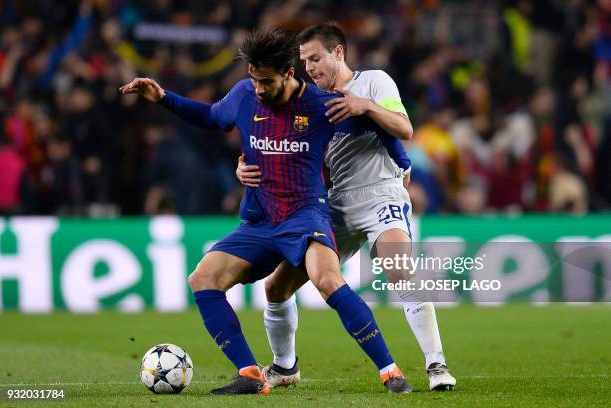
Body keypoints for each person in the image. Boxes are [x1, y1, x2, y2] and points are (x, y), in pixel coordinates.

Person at [120, 28, 411, 395]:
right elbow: (211, 116)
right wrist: (163, 97)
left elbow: (379, 130)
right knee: (202, 279)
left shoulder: (322, 105)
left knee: (327, 281)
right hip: (260, 218)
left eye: (266, 81)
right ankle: (250, 373)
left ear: (290, 74)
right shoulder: (244, 95)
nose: (258, 88)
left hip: (307, 215)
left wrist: (401, 164)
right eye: (254, 79)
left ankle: (390, 371)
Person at [237, 22, 456, 391]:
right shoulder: (306, 101)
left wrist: (365, 106)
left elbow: (404, 129)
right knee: (276, 288)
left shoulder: (374, 82)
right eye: (305, 61)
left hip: (381, 193)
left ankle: (436, 366)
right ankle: (285, 366)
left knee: (399, 269)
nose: (311, 67)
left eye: (316, 58)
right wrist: (246, 165)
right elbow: (277, 146)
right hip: (335, 203)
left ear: (339, 52)